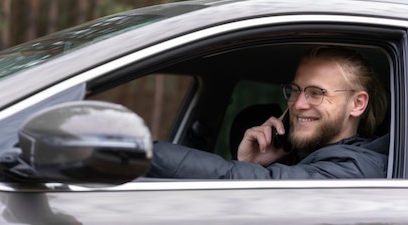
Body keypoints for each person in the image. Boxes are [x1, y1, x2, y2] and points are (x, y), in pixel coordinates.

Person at [146, 46, 390, 179]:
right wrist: (250, 164)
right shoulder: (310, 158)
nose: (298, 104)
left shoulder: (357, 170)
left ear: (357, 104)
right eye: (295, 90)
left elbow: (260, 184)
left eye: (316, 93)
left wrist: (137, 151)